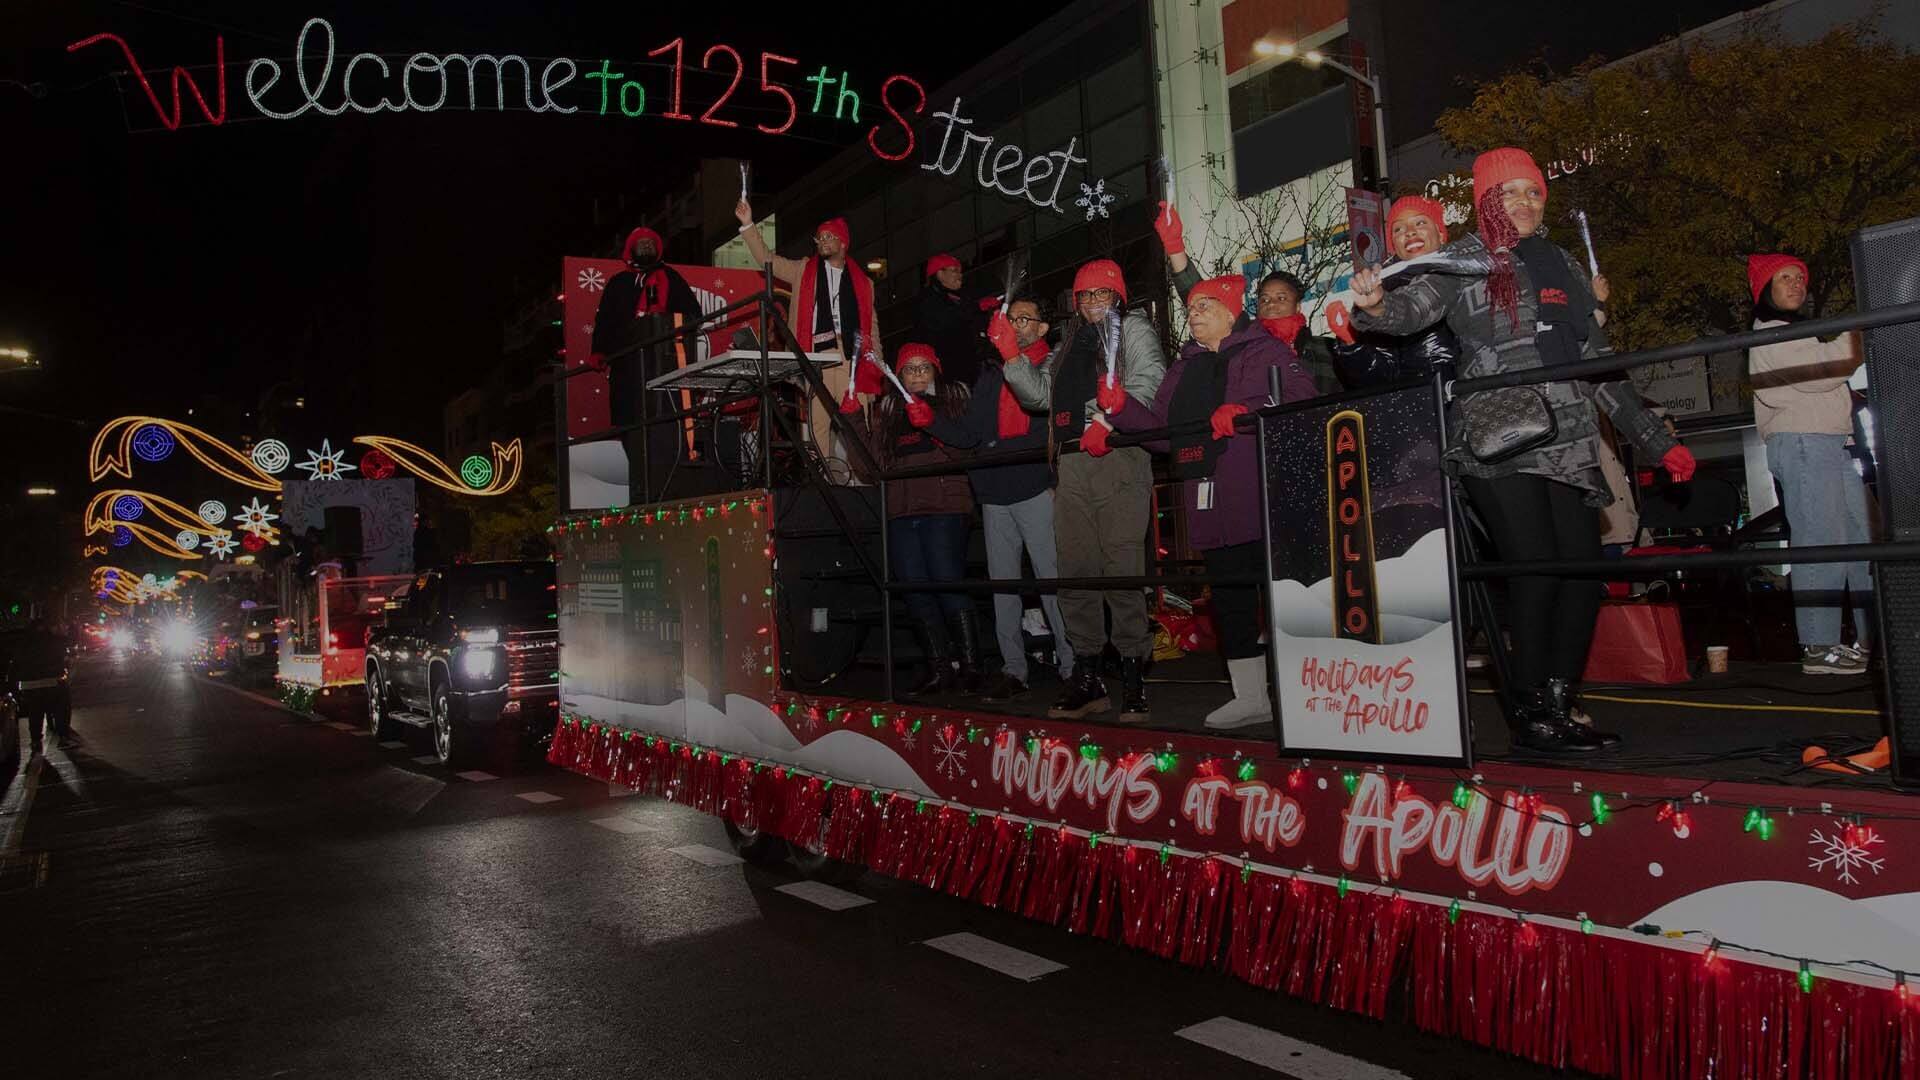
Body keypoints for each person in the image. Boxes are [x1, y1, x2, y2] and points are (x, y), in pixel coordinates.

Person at [1349, 147, 1696, 754]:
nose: (1526, 203)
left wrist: (1659, 442)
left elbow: (1598, 363)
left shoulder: (1562, 262)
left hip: (1570, 437)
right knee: (1535, 570)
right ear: (1486, 201)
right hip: (1499, 436)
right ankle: (1530, 710)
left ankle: (1560, 701)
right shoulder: (1463, 259)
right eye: (1509, 192)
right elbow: (1408, 311)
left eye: (1533, 192)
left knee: (1582, 574)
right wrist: (1375, 304)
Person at [1109, 275, 1317, 728]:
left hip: (1259, 491)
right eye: (1190, 308)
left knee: (1283, 592)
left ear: (1231, 310)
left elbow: (1303, 399)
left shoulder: (1266, 349)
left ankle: (1309, 690)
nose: (1194, 313)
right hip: (1208, 497)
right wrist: (1121, 408)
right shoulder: (1184, 367)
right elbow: (1162, 435)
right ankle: (1251, 697)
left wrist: (1247, 412)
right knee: (1229, 598)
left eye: (1205, 305)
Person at [995, 259, 1168, 723]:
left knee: (1121, 567)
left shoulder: (1133, 328)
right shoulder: (1071, 340)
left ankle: (1134, 676)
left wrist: (1109, 421)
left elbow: (1148, 383)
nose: (1091, 303)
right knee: (1076, 571)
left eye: (1101, 294)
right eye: (1084, 295)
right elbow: (1039, 396)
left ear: (1118, 295)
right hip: (1071, 462)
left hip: (1118, 455)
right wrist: (1012, 357)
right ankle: (1088, 677)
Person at [926, 295, 1074, 702]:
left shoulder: (1053, 366)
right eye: (1012, 319)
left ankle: (1072, 665)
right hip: (994, 492)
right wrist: (931, 421)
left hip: (1035, 487)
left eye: (1026, 319)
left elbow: (1048, 416)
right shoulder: (991, 375)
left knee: (1052, 582)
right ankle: (1014, 669)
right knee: (1003, 588)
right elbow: (971, 433)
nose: (1017, 325)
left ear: (1043, 328)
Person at [1746, 253, 1873, 675]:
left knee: (1862, 542)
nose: (1796, 283)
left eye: (1800, 276)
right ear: (1765, 289)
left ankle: (1876, 636)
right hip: (1804, 442)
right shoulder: (1769, 333)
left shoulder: (1794, 333)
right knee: (1822, 538)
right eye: (1784, 277)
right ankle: (1819, 647)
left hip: (1828, 444)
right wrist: (1861, 331)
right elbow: (1822, 371)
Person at [843, 343, 980, 696]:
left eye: (924, 367)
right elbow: (872, 469)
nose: (917, 374)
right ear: (898, 375)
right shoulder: (889, 410)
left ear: (936, 370)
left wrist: (934, 423)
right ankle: (939, 668)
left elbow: (968, 448)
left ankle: (970, 667)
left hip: (944, 506)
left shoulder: (953, 400)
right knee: (916, 590)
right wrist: (854, 422)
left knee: (948, 585)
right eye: (909, 368)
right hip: (902, 511)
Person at [735, 199, 884, 463]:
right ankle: (827, 484)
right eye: (819, 237)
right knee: (818, 428)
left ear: (843, 243)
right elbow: (768, 260)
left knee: (859, 427)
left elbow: (872, 329)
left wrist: (876, 372)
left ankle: (864, 485)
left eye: (829, 236)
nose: (823, 241)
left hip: (853, 360)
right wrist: (747, 224)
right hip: (819, 356)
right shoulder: (804, 269)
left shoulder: (865, 283)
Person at [1156, 206, 1339, 395]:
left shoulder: (1325, 349)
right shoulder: (1244, 344)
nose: (1271, 304)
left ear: (1298, 306)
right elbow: (1204, 300)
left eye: (1281, 298)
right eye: (1264, 299)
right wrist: (1175, 247)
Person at [589, 226, 710, 498]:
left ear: (658, 248)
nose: (645, 247)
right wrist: (598, 350)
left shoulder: (671, 278)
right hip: (628, 369)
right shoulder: (619, 283)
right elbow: (604, 321)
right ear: (630, 249)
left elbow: (693, 313)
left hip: (665, 368)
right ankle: (642, 487)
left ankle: (666, 487)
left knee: (665, 426)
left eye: (650, 243)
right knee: (630, 426)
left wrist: (668, 324)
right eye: (640, 243)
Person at [1328, 196, 1462, 388]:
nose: (1409, 232)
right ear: (1394, 246)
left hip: (1468, 399)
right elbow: (1378, 378)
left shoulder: (1466, 272)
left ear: (1440, 234)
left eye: (1420, 222)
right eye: (1398, 229)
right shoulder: (1381, 291)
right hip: (1415, 405)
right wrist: (1351, 344)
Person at [912, 253, 1000, 387]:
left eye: (960, 271)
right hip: (947, 372)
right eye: (954, 271)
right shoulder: (928, 299)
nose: (960, 275)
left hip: (967, 367)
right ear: (940, 274)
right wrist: (977, 307)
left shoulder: (958, 297)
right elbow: (944, 319)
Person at [15, 618, 71, 754]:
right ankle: (63, 737)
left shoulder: (23, 642)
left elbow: (17, 662)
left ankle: (35, 741)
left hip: (30, 684)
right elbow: (61, 656)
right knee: (60, 709)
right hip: (52, 680)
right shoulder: (53, 640)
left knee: (35, 713)